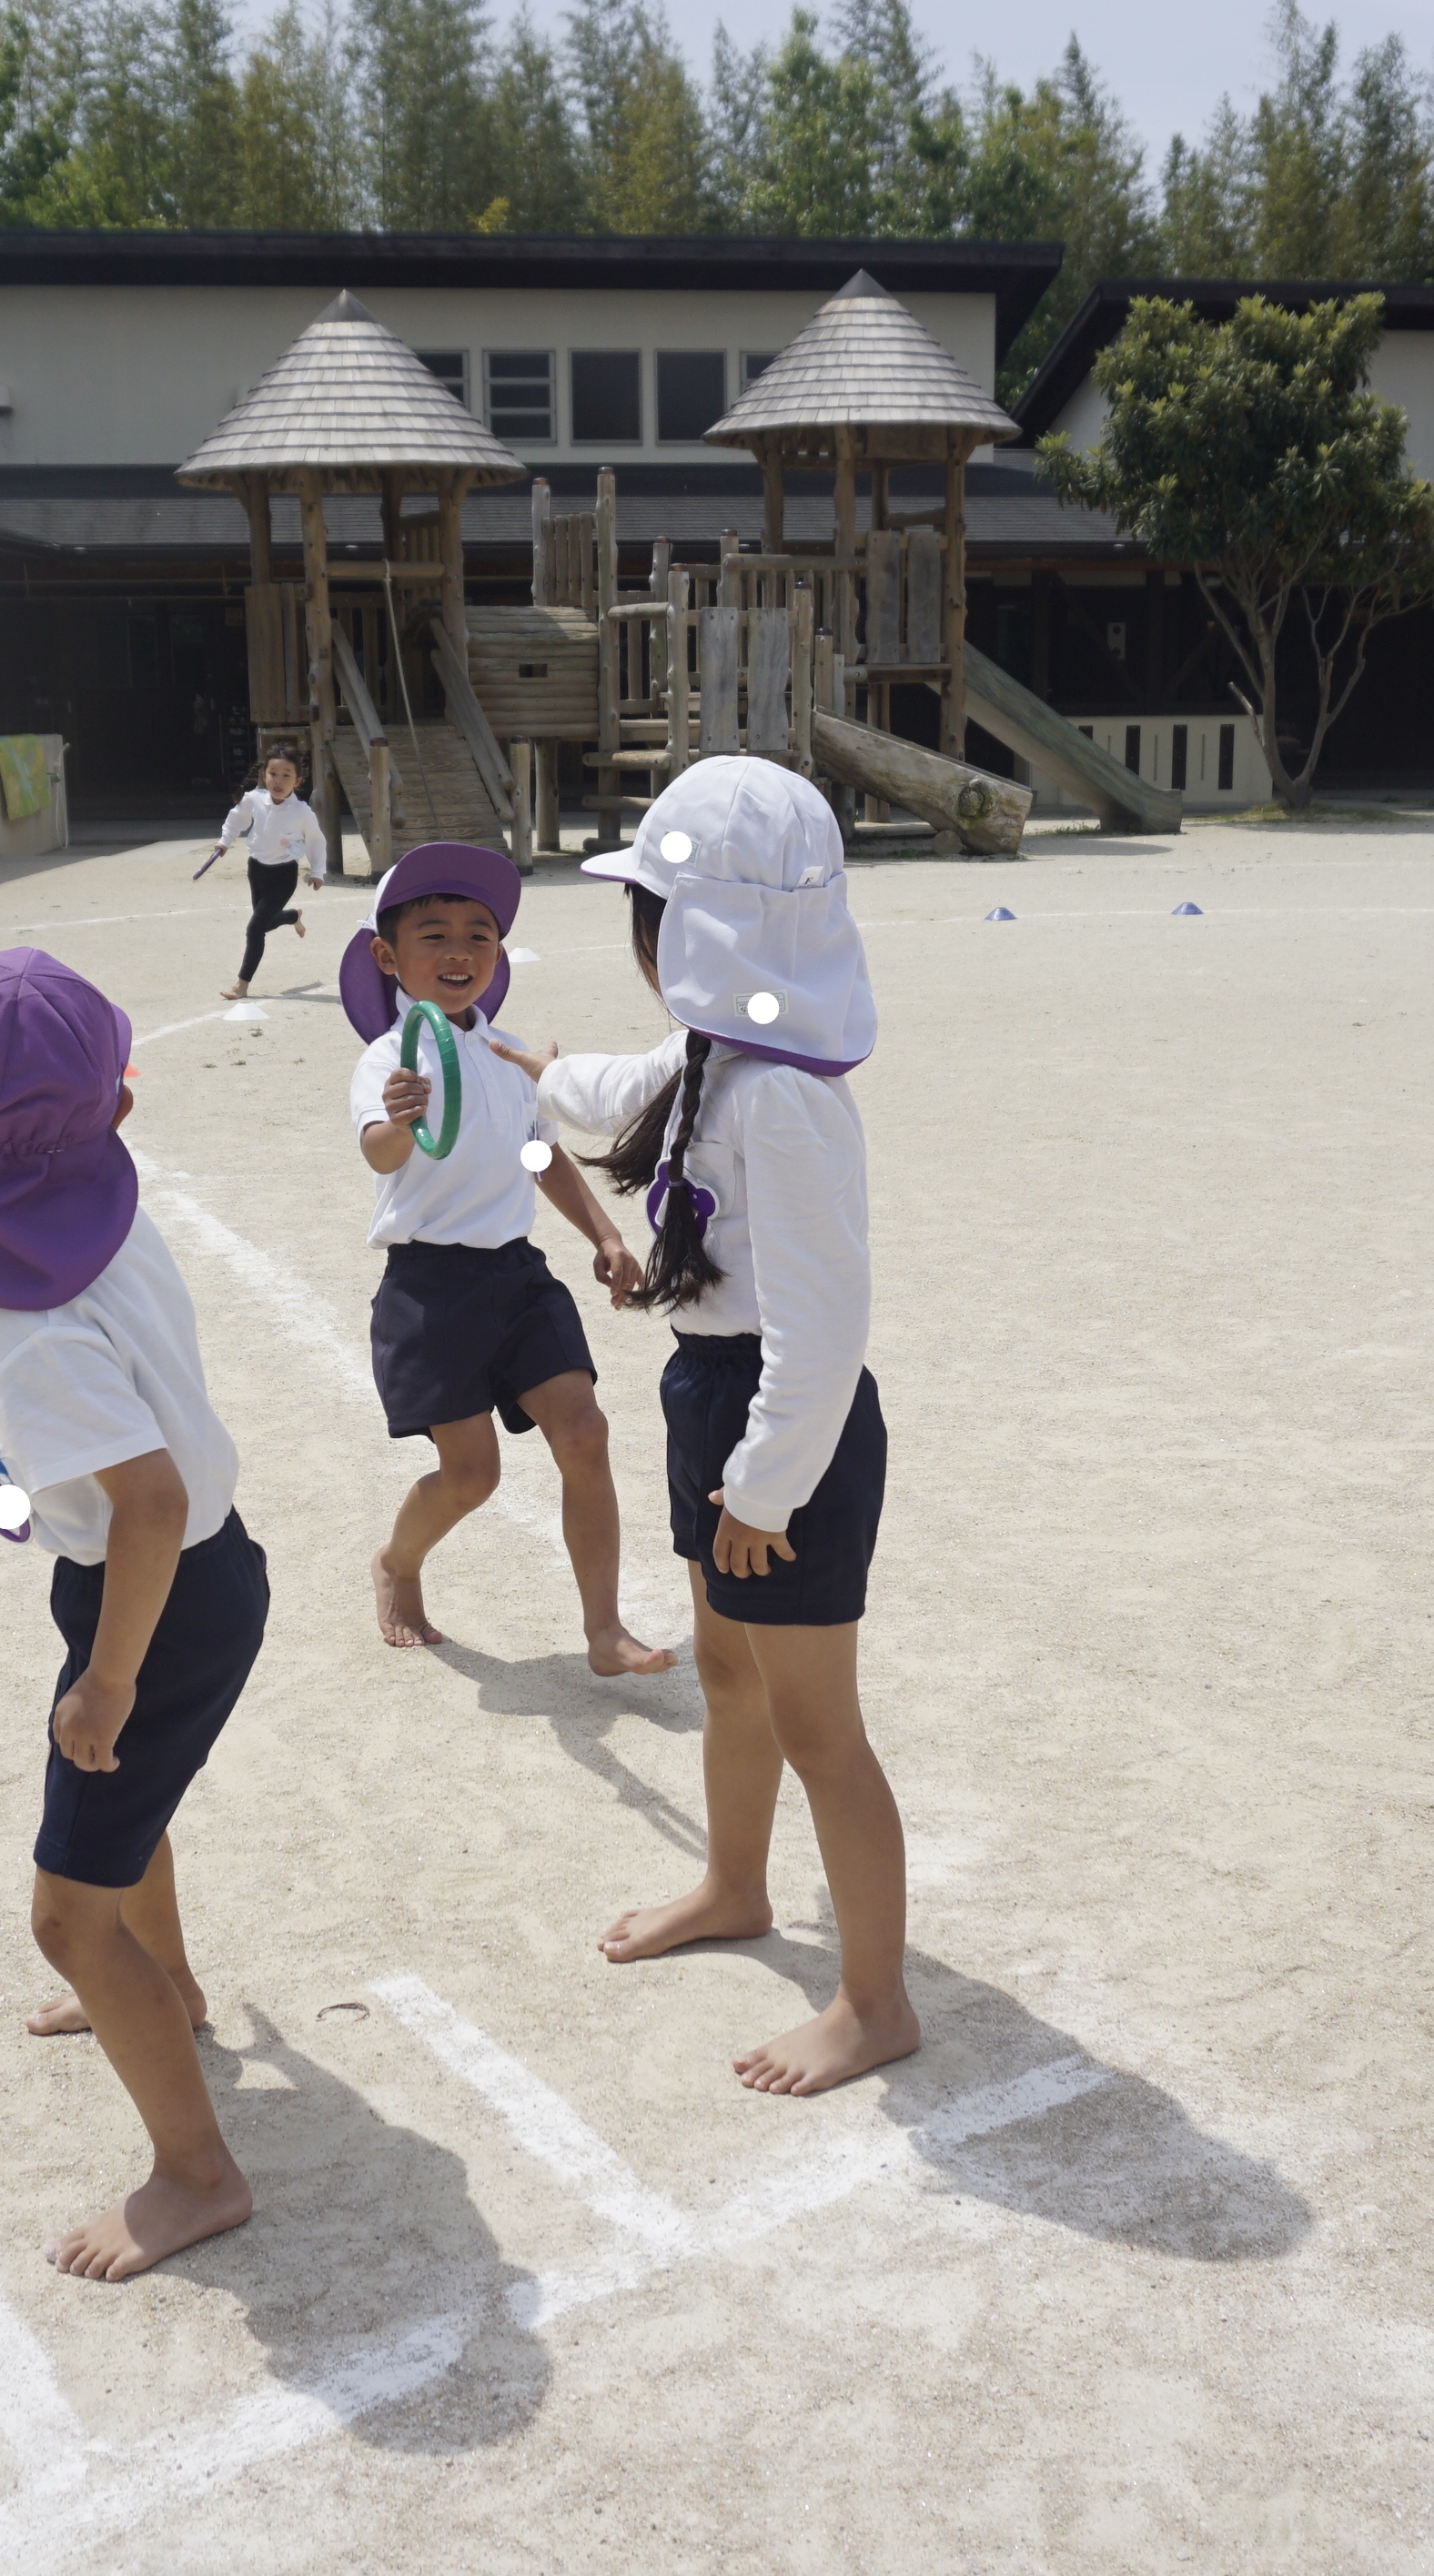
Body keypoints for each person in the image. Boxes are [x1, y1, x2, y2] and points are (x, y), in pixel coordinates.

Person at [498, 757, 915, 2097]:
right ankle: (735, 1884)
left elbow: (824, 1332)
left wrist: (764, 1492)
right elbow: (623, 1093)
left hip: (778, 1432)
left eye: (658, 913)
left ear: (705, 932)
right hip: (710, 1399)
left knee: (820, 1729)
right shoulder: (715, 1053)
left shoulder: (786, 1096)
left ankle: (875, 2000)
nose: (646, 938)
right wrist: (527, 1066)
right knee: (728, 1680)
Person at [0, 947, 267, 2282]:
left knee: (64, 1912)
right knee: (125, 1828)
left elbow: (149, 1505)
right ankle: (166, 1989)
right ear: (115, 1111)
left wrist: (108, 1682)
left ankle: (196, 2172)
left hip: (153, 1597)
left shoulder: (34, 1316)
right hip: (182, 1582)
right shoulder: (106, 1220)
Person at [343, 839, 672, 1675]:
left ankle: (603, 1628)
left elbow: (539, 1156)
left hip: (516, 1276)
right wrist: (401, 1120)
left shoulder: (506, 1052)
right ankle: (397, 1562)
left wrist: (602, 1233)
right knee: (471, 1475)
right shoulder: (390, 1060)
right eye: (433, 934)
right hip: (429, 1286)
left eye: (478, 934)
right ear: (388, 957)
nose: (459, 951)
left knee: (585, 1432)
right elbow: (379, 1156)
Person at [208, 749, 327, 1001]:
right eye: (273, 774)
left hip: (284, 875)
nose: (278, 781)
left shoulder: (302, 812)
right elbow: (235, 820)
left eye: (286, 775)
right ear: (264, 775)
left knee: (254, 929)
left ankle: (242, 984)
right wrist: (224, 842)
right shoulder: (253, 799)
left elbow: (316, 841)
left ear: (297, 781)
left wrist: (317, 871)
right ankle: (293, 916)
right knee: (266, 922)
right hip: (256, 870)